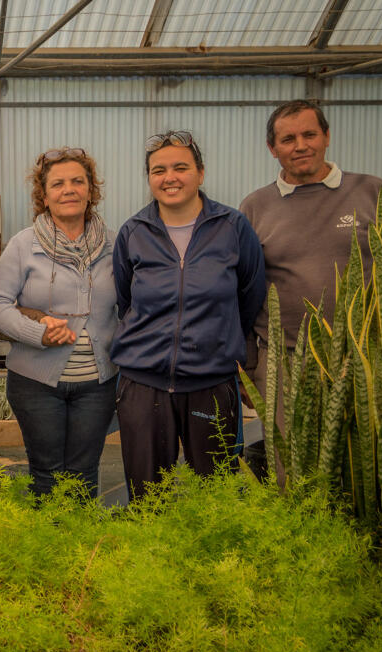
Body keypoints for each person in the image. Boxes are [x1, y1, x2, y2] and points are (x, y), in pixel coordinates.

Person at [111, 131, 266, 499]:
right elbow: (125, 301)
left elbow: (250, 295)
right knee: (148, 496)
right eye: (158, 170)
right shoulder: (133, 232)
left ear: (200, 172)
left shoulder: (233, 227)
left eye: (180, 167)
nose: (170, 177)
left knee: (216, 496)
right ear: (149, 178)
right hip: (143, 383)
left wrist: (222, 345)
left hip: (210, 383)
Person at [0, 148, 118, 498]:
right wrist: (37, 332)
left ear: (92, 190)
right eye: (58, 184)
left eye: (78, 181)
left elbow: (131, 305)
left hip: (97, 384)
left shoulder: (114, 244)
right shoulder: (23, 245)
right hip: (35, 384)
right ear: (44, 196)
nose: (69, 189)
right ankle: (49, 549)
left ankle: (83, 551)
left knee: (85, 472)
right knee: (46, 474)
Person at [239, 100, 382, 410]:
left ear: (327, 136)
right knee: (286, 458)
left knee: (358, 458)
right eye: (288, 139)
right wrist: (248, 369)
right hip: (283, 362)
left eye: (310, 135)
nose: (301, 146)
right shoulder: (255, 206)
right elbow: (244, 294)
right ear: (272, 148)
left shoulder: (372, 191)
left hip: (364, 359)